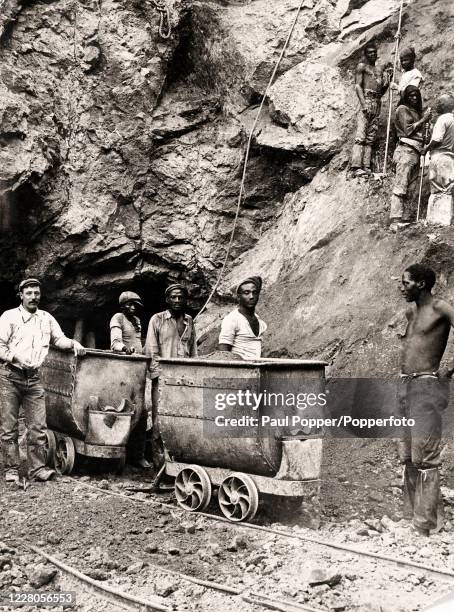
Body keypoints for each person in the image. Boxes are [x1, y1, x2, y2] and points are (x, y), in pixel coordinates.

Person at [0, 278, 85, 484]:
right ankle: (11, 469)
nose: (33, 297)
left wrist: (74, 344)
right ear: (21, 295)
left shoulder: (46, 318)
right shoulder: (9, 317)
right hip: (10, 376)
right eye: (28, 293)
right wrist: (15, 357)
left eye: (36, 293)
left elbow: (58, 339)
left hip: (35, 379)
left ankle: (36, 468)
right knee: (8, 427)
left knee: (38, 426)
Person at [397, 263, 454, 535]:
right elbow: (409, 348)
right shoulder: (411, 311)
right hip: (406, 387)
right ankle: (413, 516)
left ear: (420, 284)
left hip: (428, 387)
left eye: (406, 283)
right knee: (408, 456)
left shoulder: (441, 308)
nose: (401, 287)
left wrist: (449, 369)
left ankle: (425, 524)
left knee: (426, 457)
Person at [144, 284, 197, 468]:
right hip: (164, 380)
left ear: (185, 300)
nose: (177, 301)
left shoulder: (189, 321)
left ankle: (178, 466)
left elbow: (193, 351)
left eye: (180, 297)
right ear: (167, 300)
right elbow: (152, 351)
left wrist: (193, 375)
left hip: (184, 380)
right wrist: (160, 377)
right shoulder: (157, 320)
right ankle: (160, 467)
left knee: (182, 421)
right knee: (159, 423)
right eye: (173, 297)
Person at [110, 291, 151, 469]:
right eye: (129, 304)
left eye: (135, 305)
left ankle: (138, 455)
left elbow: (139, 343)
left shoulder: (137, 321)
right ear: (122, 305)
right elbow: (115, 342)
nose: (132, 308)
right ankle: (117, 455)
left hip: (139, 371)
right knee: (122, 409)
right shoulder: (117, 318)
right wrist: (124, 348)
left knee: (141, 412)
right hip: (122, 370)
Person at [390, 86, 431, 229]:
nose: (414, 98)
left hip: (416, 153)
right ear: (406, 97)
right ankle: (395, 220)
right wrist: (423, 120)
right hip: (405, 151)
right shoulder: (402, 109)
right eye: (411, 96)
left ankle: (406, 217)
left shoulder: (416, 112)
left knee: (412, 187)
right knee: (401, 185)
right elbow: (408, 130)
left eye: (416, 96)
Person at [351, 41, 393, 175]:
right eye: (369, 52)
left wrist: (389, 79)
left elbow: (381, 91)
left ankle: (366, 166)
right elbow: (358, 86)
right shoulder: (362, 67)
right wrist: (363, 105)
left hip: (377, 102)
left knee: (370, 137)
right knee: (361, 134)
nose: (372, 54)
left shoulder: (379, 70)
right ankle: (356, 166)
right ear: (365, 54)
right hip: (366, 100)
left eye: (374, 52)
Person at [218, 276, 267, 359]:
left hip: (255, 369)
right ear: (238, 296)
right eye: (246, 293)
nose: (251, 296)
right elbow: (223, 354)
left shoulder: (260, 321)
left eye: (254, 292)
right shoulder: (232, 319)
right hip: (238, 369)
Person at [423, 94, 454, 225]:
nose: (437, 105)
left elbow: (437, 139)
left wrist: (426, 148)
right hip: (449, 157)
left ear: (445, 105)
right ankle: (444, 220)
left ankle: (438, 220)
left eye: (439, 103)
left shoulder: (443, 119)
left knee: (438, 188)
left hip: (439, 156)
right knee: (447, 188)